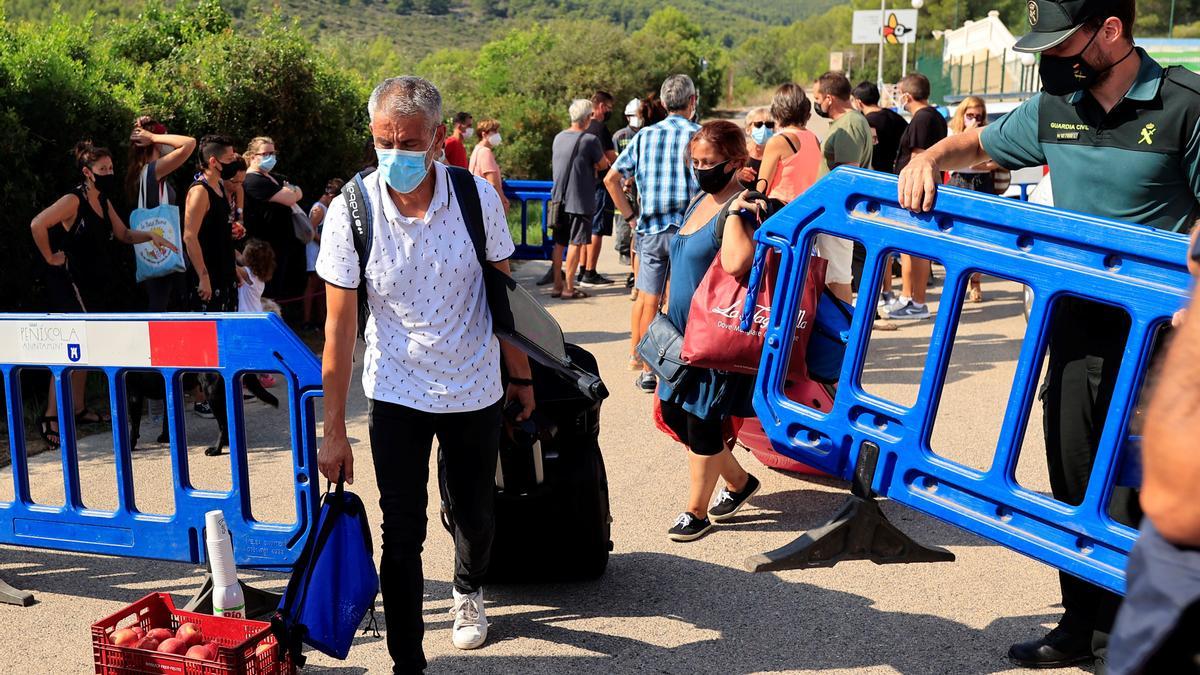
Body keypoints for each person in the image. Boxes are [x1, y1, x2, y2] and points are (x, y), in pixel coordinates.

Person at [896, 0, 1200, 666]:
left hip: (1165, 336)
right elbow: (979, 144)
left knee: (1143, 490)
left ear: (1112, 32)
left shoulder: (1184, 103)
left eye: (1062, 45)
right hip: (1077, 324)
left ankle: (1146, 634)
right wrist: (931, 155)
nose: (1049, 61)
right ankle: (1079, 624)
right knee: (1073, 472)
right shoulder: (1056, 106)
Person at [315, 76, 534, 673]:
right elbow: (338, 333)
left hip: (472, 386)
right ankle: (407, 661)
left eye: (410, 142)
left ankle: (468, 588)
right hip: (396, 391)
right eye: (385, 140)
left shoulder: (475, 198)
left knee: (474, 513)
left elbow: (504, 298)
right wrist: (333, 430)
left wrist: (522, 379)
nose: (396, 154)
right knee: (401, 529)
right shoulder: (350, 212)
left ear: (437, 138)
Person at [29, 142, 177, 448]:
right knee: (71, 347)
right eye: (102, 170)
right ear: (87, 172)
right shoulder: (73, 200)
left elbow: (123, 234)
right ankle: (51, 416)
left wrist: (150, 235)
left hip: (92, 284)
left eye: (111, 168)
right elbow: (38, 223)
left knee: (85, 346)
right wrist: (49, 257)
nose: (109, 173)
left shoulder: (104, 198)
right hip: (67, 281)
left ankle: (79, 408)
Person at [657, 120, 762, 542]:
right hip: (679, 331)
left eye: (709, 162)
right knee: (672, 413)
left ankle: (695, 512)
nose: (700, 169)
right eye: (695, 161)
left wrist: (737, 213)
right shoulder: (700, 198)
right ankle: (738, 482)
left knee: (701, 421)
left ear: (735, 163)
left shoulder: (739, 205)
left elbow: (739, 263)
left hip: (712, 334)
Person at [606, 74, 701, 393]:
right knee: (679, 299)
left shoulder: (643, 137)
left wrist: (631, 216)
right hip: (688, 231)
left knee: (648, 298)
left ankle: (648, 368)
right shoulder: (699, 135)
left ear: (662, 104)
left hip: (650, 230)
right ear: (692, 102)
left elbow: (611, 179)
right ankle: (679, 363)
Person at [886, 73, 947, 321]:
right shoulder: (933, 116)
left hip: (917, 194)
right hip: (920, 193)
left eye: (899, 92)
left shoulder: (923, 118)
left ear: (907, 95)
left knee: (917, 250)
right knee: (909, 250)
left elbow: (918, 158)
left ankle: (917, 301)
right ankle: (908, 297)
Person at [809, 72, 873, 304]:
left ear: (829, 98)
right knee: (832, 274)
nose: (816, 103)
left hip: (837, 211)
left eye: (817, 98)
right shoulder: (849, 122)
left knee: (837, 276)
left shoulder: (850, 123)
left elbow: (848, 173)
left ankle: (842, 334)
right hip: (833, 211)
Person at [124, 116, 197, 312]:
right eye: (164, 137)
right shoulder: (153, 170)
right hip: (165, 250)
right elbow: (189, 143)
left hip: (153, 252)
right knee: (165, 306)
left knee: (159, 303)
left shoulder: (138, 173)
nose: (166, 140)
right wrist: (154, 136)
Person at [549, 99, 609, 300]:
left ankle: (557, 286)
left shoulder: (558, 137)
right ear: (586, 118)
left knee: (559, 244)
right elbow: (603, 165)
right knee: (575, 243)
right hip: (580, 200)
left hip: (559, 199)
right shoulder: (590, 140)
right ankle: (569, 288)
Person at [946, 96, 1000, 303]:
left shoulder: (988, 131)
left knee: (980, 236)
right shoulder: (953, 131)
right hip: (959, 182)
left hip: (982, 183)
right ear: (962, 114)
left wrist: (988, 166)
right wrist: (967, 133)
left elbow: (1001, 159)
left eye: (979, 115)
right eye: (970, 115)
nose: (975, 119)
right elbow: (948, 160)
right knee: (957, 235)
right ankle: (958, 280)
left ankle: (975, 282)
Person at [184, 135, 241, 313]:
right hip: (209, 278)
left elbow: (219, 231)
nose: (233, 163)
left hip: (225, 274)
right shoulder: (200, 191)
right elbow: (190, 236)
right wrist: (203, 276)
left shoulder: (220, 187)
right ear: (213, 161)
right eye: (229, 159)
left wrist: (233, 267)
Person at [242, 136, 303, 300]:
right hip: (263, 247)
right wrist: (291, 191)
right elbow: (291, 197)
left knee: (277, 293)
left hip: (280, 246)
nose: (271, 157)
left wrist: (292, 191)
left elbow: (298, 191)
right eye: (265, 153)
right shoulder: (252, 180)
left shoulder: (274, 177)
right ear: (253, 156)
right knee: (265, 294)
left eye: (273, 153)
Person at [579, 90, 618, 287]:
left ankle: (582, 268)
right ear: (601, 106)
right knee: (597, 228)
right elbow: (610, 157)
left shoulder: (583, 127)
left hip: (584, 184)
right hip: (601, 185)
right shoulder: (600, 129)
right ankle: (590, 272)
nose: (609, 111)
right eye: (609, 107)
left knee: (586, 228)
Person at [303, 179, 343, 331]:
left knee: (320, 287)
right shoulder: (319, 209)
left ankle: (321, 319)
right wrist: (325, 242)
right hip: (315, 252)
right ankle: (306, 320)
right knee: (312, 285)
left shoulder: (325, 208)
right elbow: (309, 230)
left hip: (322, 252)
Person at [851, 81, 909, 175]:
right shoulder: (895, 116)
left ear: (859, 102)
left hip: (878, 176)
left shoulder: (866, 123)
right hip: (899, 172)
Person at [612, 98, 641, 272]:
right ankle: (625, 255)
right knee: (623, 228)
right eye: (632, 115)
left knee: (639, 233)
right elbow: (613, 165)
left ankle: (634, 273)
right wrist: (624, 181)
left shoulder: (646, 134)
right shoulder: (619, 136)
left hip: (640, 192)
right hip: (623, 191)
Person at [469, 119, 510, 213]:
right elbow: (493, 183)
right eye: (494, 131)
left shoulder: (477, 149)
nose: (497, 134)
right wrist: (503, 201)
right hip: (487, 204)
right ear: (484, 134)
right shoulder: (485, 152)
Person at [741, 107, 773, 186]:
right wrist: (737, 175)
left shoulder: (776, 155)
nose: (764, 128)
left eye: (769, 125)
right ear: (748, 129)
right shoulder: (739, 154)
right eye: (758, 124)